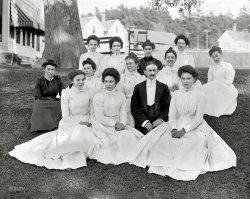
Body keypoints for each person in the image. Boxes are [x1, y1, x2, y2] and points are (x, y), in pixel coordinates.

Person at [128, 65, 236, 181]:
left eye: (188, 78)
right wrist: (173, 128)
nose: (185, 81)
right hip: (176, 123)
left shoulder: (200, 95)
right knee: (162, 141)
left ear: (194, 79)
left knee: (196, 141)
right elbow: (172, 115)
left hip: (194, 124)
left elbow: (198, 118)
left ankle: (185, 164)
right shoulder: (176, 94)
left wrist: (184, 130)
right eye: (183, 78)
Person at [9, 70, 97, 170]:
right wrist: (80, 123)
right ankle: (69, 159)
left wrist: (90, 121)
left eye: (82, 79)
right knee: (77, 133)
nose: (81, 82)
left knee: (89, 136)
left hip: (87, 120)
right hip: (70, 121)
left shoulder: (89, 91)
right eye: (78, 80)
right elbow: (66, 116)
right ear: (72, 80)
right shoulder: (66, 93)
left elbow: (92, 111)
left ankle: (78, 153)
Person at [88, 68, 144, 165]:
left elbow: (123, 113)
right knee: (111, 140)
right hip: (103, 124)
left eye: (111, 81)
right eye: (106, 81)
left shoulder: (121, 96)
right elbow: (100, 117)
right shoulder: (98, 96)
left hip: (118, 122)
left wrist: (122, 124)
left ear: (116, 82)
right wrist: (115, 124)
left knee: (130, 136)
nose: (108, 84)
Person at [131, 62, 171, 135]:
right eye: (150, 70)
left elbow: (168, 107)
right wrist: (145, 122)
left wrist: (160, 120)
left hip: (160, 123)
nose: (152, 73)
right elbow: (134, 108)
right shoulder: (138, 87)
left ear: (157, 71)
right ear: (145, 72)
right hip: (143, 123)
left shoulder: (164, 87)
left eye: (154, 70)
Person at [200, 46, 238, 117]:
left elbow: (230, 81)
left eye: (217, 56)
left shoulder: (228, 66)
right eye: (213, 57)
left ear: (221, 54)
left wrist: (218, 83)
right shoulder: (212, 68)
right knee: (201, 91)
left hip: (226, 88)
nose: (215, 58)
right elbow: (209, 82)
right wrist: (213, 86)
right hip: (214, 89)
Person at [30, 59, 65, 134]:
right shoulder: (39, 80)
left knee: (62, 104)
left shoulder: (57, 79)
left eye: (52, 69)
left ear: (54, 70)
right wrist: (42, 101)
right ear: (44, 69)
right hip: (43, 101)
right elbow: (37, 96)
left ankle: (54, 124)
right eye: (48, 69)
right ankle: (40, 126)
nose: (50, 71)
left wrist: (63, 98)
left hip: (55, 101)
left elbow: (63, 92)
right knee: (38, 104)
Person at [118, 52, 144, 127]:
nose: (128, 66)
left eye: (130, 63)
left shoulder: (142, 78)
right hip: (124, 104)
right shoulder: (122, 77)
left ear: (137, 64)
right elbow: (120, 92)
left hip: (137, 105)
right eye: (127, 64)